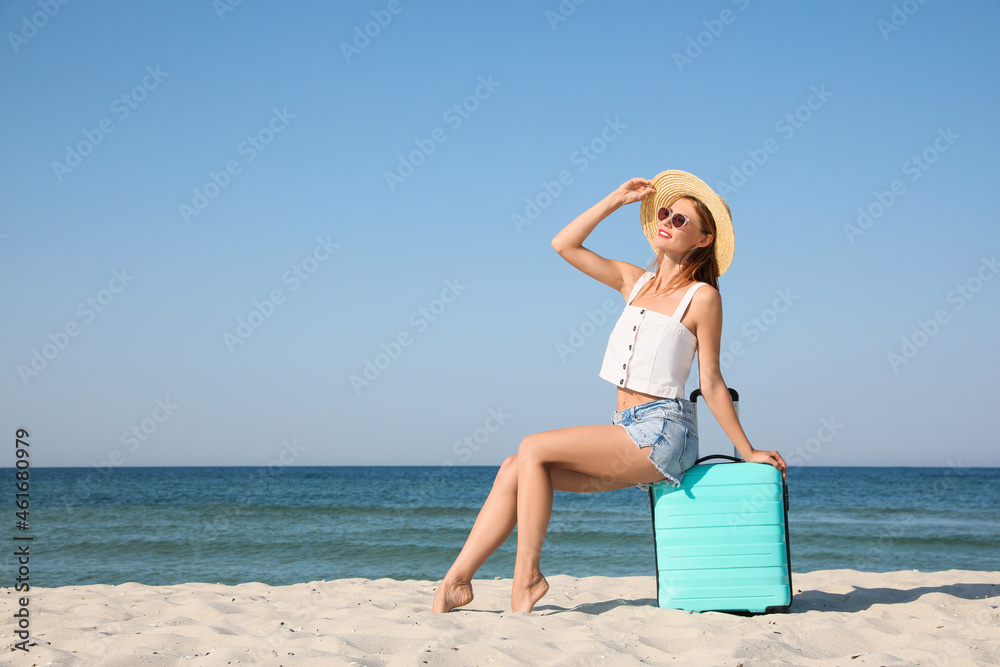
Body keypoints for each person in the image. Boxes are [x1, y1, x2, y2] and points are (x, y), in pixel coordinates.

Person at [432, 170, 787, 614]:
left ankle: (526, 581)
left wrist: (746, 449)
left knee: (532, 447)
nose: (667, 222)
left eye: (681, 221)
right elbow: (564, 244)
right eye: (664, 213)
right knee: (515, 467)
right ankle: (456, 582)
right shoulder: (632, 282)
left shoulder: (702, 298)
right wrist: (616, 199)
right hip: (626, 429)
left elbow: (711, 381)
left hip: (664, 433)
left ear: (703, 239)